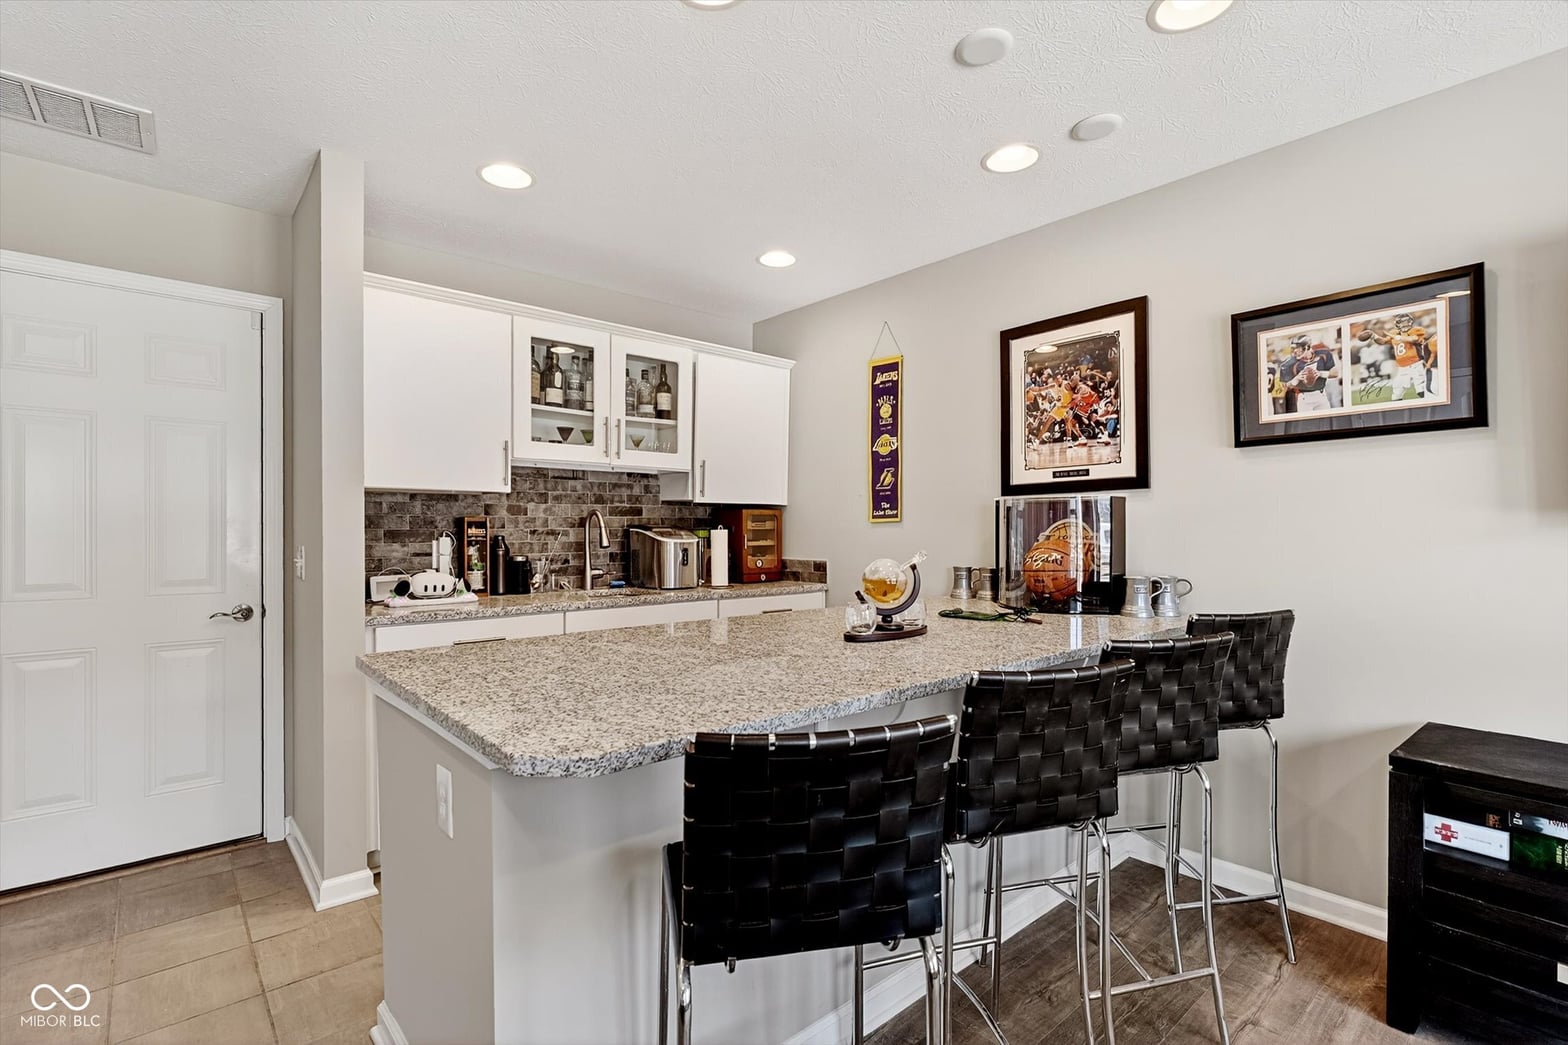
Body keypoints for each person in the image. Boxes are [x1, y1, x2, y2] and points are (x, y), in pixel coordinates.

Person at [1360, 313, 1433, 402]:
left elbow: (1413, 339)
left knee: (1421, 391)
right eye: (1402, 322)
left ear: (1411, 322)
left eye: (1407, 322)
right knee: (1397, 392)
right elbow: (1382, 341)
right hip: (1402, 368)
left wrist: (1396, 337)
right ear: (1397, 324)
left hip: (1417, 365)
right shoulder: (1393, 333)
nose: (1405, 324)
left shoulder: (1416, 330)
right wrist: (1373, 336)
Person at [1279, 334, 1339, 414]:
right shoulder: (1290, 363)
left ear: (1307, 347)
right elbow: (1285, 386)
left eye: (1298, 348)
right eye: (1294, 348)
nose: (1295, 351)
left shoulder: (1323, 354)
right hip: (1304, 399)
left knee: (1326, 422)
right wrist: (1295, 379)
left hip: (1321, 395)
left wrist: (1320, 373)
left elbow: (1335, 373)